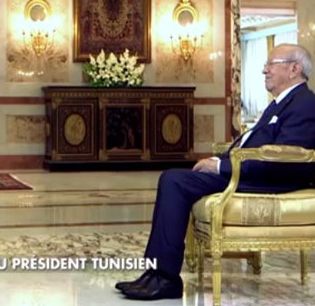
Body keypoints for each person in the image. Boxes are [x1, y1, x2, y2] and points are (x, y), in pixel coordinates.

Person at [115, 43, 315, 301]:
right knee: (174, 179)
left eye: (270, 64)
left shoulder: (305, 104)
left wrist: (222, 167)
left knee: (174, 180)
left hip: (271, 180)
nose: (264, 70)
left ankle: (164, 277)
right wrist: (218, 159)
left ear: (294, 69)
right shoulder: (281, 103)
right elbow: (253, 145)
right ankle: (156, 273)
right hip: (249, 171)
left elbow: (285, 160)